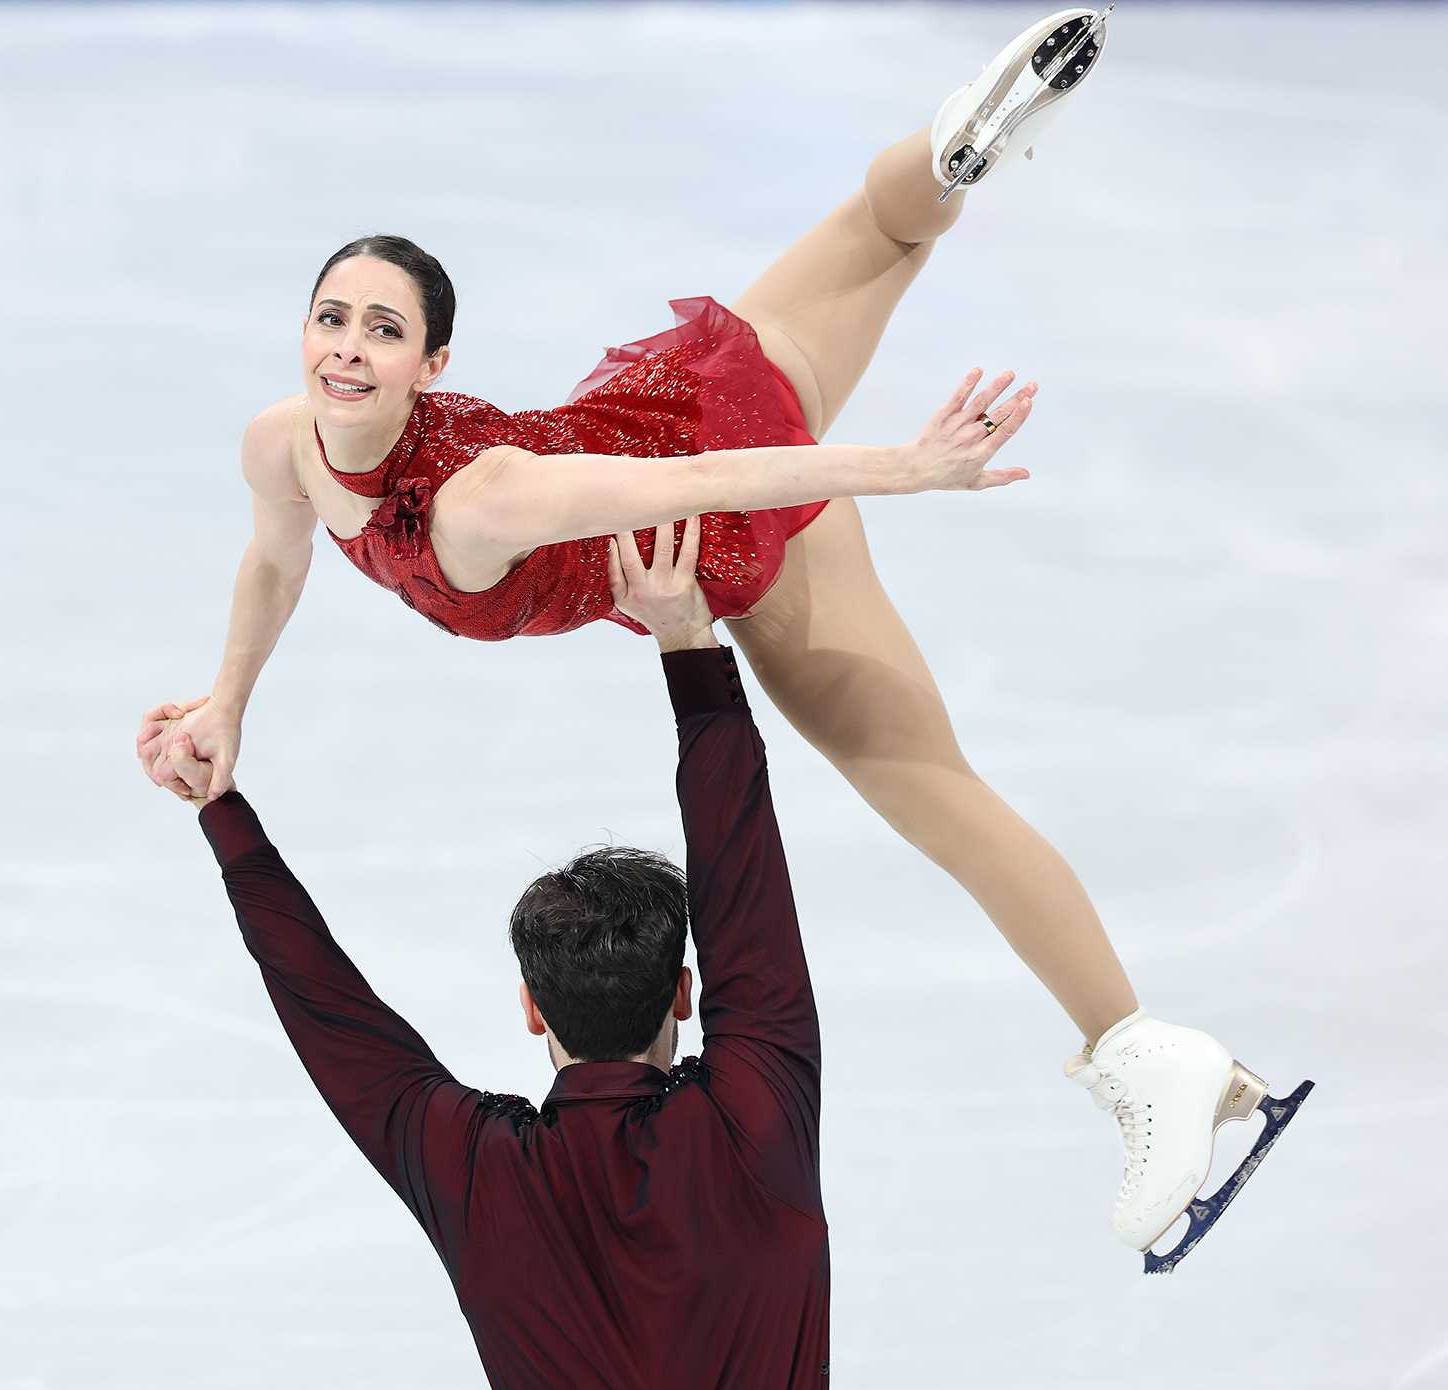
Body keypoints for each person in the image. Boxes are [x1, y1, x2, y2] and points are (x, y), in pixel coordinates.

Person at [139, 7, 1309, 1266]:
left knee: (922, 784)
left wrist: (903, 471)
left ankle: (1146, 1057)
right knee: (885, 225)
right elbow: (275, 557)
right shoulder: (282, 443)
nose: (347, 349)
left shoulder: (480, 503)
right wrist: (226, 700)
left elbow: (689, 490)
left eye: (382, 329)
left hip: (735, 503)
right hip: (683, 388)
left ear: (433, 364)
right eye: (331, 318)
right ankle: (956, 142)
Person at [169, 520, 833, 1386]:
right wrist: (684, 641)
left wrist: (219, 809)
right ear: (682, 992)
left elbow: (332, 1015)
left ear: (531, 1006)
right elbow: (747, 889)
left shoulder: (478, 1170)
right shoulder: (758, 1111)